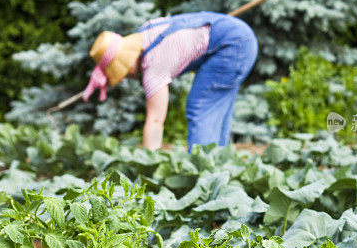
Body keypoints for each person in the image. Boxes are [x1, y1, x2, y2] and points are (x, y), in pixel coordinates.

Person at [82, 12, 258, 151]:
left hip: (233, 45)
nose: (130, 77)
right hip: (239, 36)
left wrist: (149, 161)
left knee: (200, 105)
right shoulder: (146, 32)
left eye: (124, 73)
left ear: (127, 65)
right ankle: (217, 164)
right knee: (216, 108)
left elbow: (156, 121)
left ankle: (205, 172)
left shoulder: (153, 63)